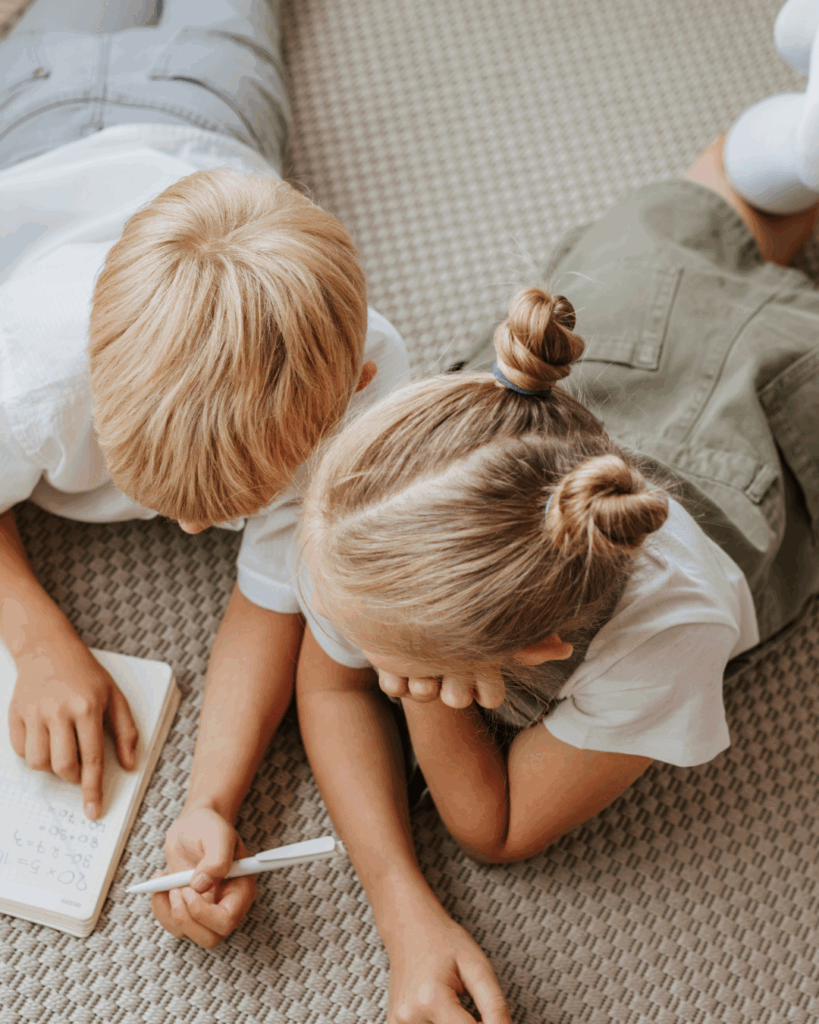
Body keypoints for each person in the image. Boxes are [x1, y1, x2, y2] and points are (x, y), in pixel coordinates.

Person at [296, 137, 819, 1024]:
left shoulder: (667, 633)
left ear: (538, 648)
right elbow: (330, 686)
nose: (350, 648)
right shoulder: (376, 516)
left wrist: (427, 698)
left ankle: (789, 145)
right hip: (622, 347)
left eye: (401, 663)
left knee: (751, 286)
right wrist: (401, 909)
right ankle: (791, 136)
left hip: (758, 438)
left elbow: (492, 827)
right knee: (694, 220)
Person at [0, 0, 408, 949]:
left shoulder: (358, 399)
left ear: (352, 386)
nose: (188, 533)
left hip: (212, 102)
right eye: (165, 499)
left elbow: (271, 601)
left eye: (217, 510)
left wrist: (211, 798)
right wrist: (38, 637)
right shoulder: (34, 378)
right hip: (42, 111)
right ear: (96, 373)